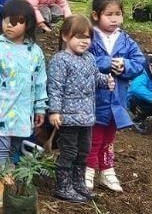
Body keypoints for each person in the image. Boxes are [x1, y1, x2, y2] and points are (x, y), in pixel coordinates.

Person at [0, 0, 48, 207]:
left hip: (24, 114)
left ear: (28, 25)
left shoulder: (35, 53)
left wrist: (40, 107)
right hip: (2, 113)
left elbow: (40, 82)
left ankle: (10, 185)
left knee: (15, 151)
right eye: (6, 20)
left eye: (16, 21)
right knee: (1, 152)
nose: (9, 25)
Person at [86, 0, 147, 194]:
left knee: (109, 137)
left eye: (118, 14)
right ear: (96, 15)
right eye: (109, 14)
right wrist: (107, 63)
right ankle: (89, 171)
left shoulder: (125, 39)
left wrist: (125, 66)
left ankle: (107, 169)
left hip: (117, 101)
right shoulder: (90, 37)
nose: (114, 19)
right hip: (95, 99)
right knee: (94, 136)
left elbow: (140, 61)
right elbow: (84, 59)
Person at [46, 14, 111, 203]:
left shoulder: (90, 58)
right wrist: (55, 111)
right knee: (69, 151)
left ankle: (78, 183)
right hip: (68, 117)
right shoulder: (60, 60)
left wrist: (106, 81)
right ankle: (63, 186)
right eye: (79, 37)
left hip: (87, 116)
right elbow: (55, 88)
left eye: (88, 37)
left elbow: (95, 77)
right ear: (66, 36)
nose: (84, 41)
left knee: (84, 150)